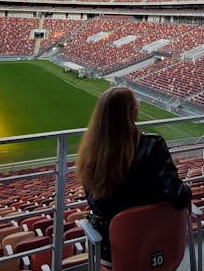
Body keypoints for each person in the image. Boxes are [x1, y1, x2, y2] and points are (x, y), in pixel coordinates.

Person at [76, 87, 191, 261]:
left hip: (111, 252)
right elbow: (179, 196)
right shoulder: (153, 145)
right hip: (156, 246)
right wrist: (187, 188)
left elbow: (95, 204)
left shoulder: (90, 155)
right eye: (136, 104)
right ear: (131, 112)